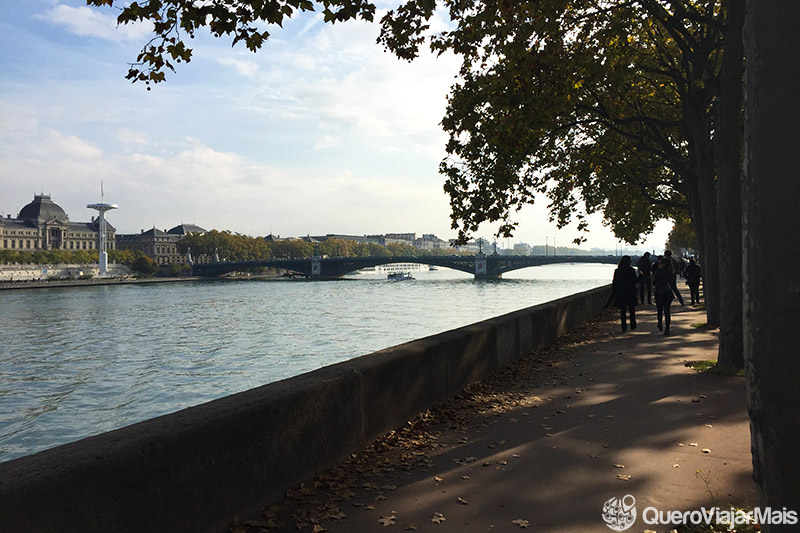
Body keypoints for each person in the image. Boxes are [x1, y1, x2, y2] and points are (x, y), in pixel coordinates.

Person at [653, 255, 685, 335]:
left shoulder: (658, 272)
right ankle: (667, 328)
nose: (659, 264)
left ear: (663, 264)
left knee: (659, 310)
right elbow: (672, 284)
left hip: (659, 292)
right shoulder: (671, 272)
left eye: (660, 263)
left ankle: (660, 323)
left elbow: (654, 282)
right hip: (668, 293)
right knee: (667, 311)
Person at [609, 255, 638, 331]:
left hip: (621, 292)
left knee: (623, 310)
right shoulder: (631, 270)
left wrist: (614, 291)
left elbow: (614, 282)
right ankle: (633, 324)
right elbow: (635, 281)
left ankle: (623, 326)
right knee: (631, 309)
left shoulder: (617, 271)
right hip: (630, 291)